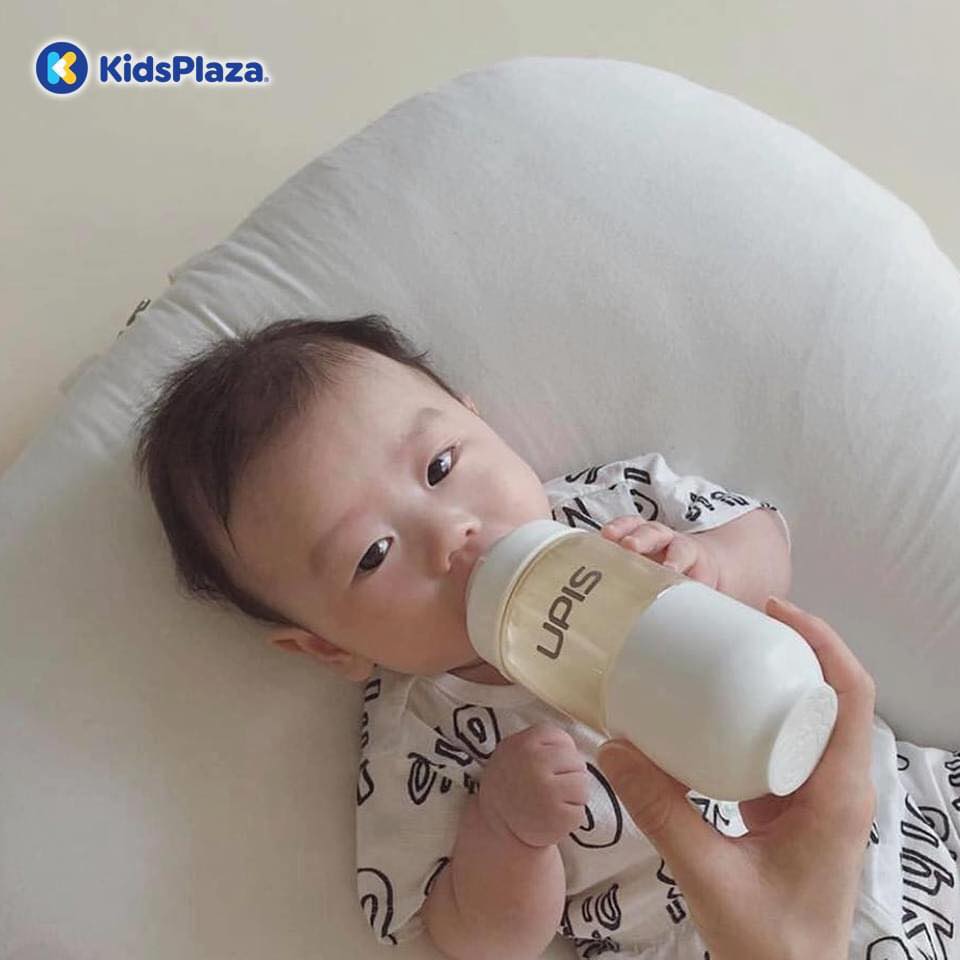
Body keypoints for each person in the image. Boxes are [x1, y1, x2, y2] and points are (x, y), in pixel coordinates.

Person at [133, 314, 960, 960]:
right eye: (372, 555)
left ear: (477, 418)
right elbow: (470, 939)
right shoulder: (421, 737)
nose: (449, 533)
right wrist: (507, 834)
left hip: (905, 815)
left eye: (441, 467)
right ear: (328, 647)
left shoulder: (613, 512)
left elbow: (765, 536)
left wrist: (713, 566)